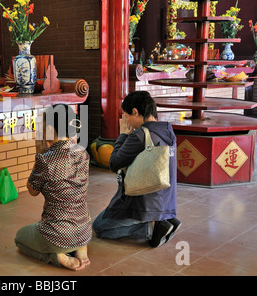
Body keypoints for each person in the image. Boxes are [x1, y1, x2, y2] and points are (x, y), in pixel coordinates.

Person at [92, 91, 181, 248]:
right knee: (106, 217)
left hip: (143, 203)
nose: (126, 120)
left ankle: (152, 228)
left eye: (126, 116)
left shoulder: (139, 135)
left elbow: (114, 163)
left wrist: (123, 135)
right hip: (165, 201)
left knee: (100, 227)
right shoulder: (168, 131)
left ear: (135, 112)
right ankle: (163, 219)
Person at [14, 104, 92, 271]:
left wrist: (39, 153)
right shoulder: (83, 153)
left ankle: (56, 256)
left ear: (50, 128)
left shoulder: (46, 159)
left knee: (20, 238)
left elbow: (32, 190)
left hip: (58, 235)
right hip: (84, 228)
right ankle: (81, 248)